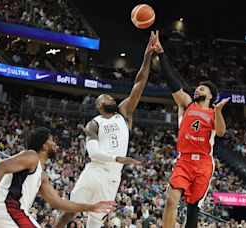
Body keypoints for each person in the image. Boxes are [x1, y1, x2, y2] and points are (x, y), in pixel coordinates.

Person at [55, 32, 157, 228]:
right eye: (105, 98)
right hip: (95, 171)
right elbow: (93, 152)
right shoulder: (94, 123)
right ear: (98, 106)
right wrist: (117, 158)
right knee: (70, 211)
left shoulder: (123, 113)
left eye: (110, 97)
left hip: (113, 176)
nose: (110, 98)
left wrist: (147, 56)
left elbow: (139, 84)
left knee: (97, 219)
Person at [151, 31, 230, 228]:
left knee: (193, 208)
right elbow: (172, 82)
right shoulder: (187, 104)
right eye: (197, 88)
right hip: (184, 159)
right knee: (171, 199)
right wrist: (161, 53)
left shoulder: (213, 112)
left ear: (211, 95)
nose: (197, 90)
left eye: (202, 89)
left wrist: (218, 111)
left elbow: (220, 132)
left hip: (203, 164)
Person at [0, 127, 116, 228]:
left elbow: (58, 203)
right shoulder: (31, 156)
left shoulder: (40, 174)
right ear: (44, 146)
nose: (55, 144)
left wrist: (91, 207)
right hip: (7, 212)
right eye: (52, 141)